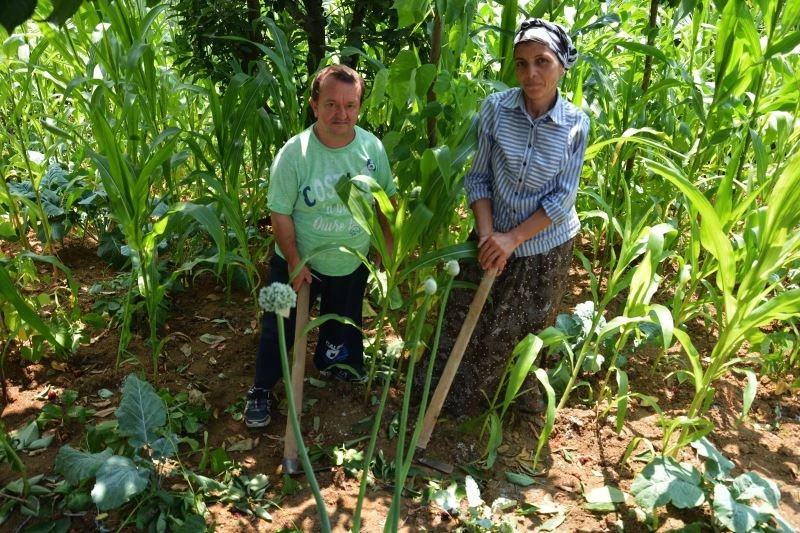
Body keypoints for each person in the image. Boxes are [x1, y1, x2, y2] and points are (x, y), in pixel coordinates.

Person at [424, 18, 590, 415]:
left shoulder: (575, 123)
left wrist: (512, 239)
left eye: (542, 61)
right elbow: (478, 177)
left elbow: (562, 198)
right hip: (488, 235)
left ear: (562, 66)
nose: (530, 73)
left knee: (520, 328)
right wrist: (487, 237)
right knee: (461, 316)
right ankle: (446, 400)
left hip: (543, 244)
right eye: (521, 63)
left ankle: (509, 402)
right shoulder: (496, 109)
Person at [245, 64, 396, 428]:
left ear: (359, 107)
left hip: (349, 260)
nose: (340, 113)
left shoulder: (371, 147)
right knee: (276, 324)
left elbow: (385, 201)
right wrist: (295, 261)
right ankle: (262, 388)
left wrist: (385, 250)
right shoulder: (294, 153)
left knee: (345, 322)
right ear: (314, 105)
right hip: (293, 260)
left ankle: (338, 366)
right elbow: (279, 213)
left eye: (350, 105)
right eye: (331, 104)